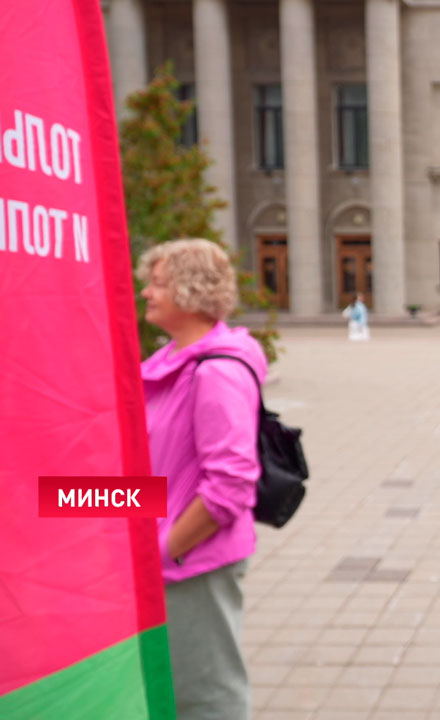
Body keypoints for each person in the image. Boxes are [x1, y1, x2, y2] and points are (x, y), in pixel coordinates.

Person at [138, 238, 266, 720]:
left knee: (206, 696)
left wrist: (162, 549)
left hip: (191, 564)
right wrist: (57, 500)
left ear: (191, 292)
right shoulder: (171, 362)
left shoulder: (215, 372)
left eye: (158, 283)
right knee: (173, 692)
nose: (146, 292)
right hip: (163, 556)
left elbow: (230, 484)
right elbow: (159, 475)